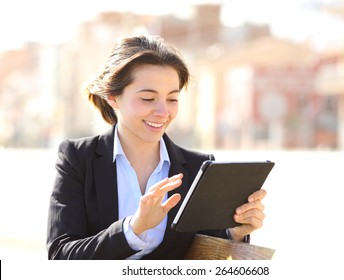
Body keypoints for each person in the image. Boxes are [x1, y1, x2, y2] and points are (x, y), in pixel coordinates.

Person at [46, 35, 267, 260]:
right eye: (148, 99)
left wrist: (233, 233)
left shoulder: (198, 166)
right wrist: (132, 229)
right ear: (113, 97)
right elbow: (60, 256)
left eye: (172, 99)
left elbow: (204, 258)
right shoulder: (77, 159)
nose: (163, 112)